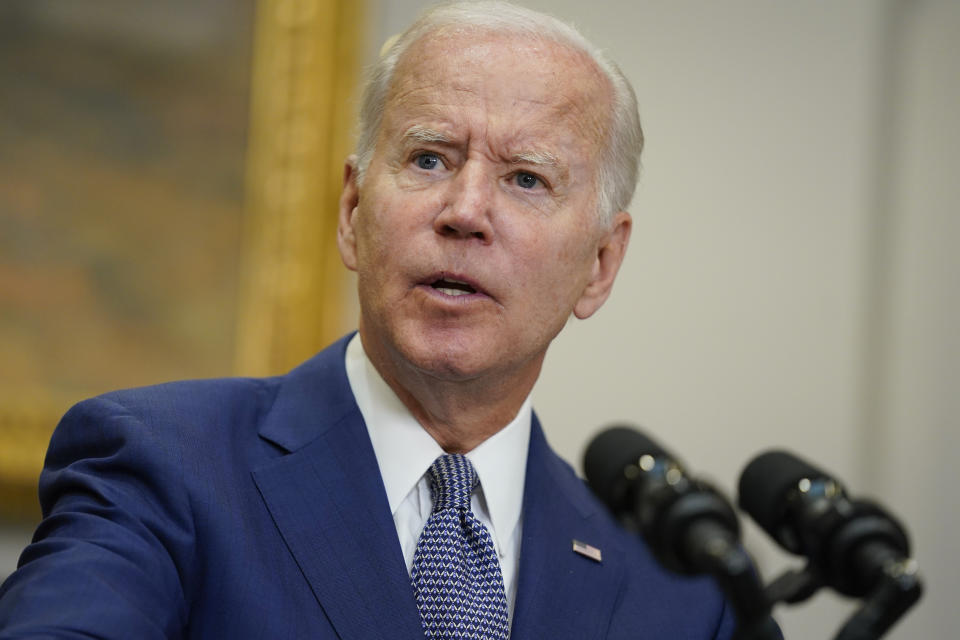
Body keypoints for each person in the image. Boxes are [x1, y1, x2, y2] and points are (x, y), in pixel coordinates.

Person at [0, 2, 736, 638]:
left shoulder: (678, 590)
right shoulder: (162, 465)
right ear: (353, 213)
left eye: (525, 178)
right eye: (428, 159)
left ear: (601, 264)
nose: (466, 211)